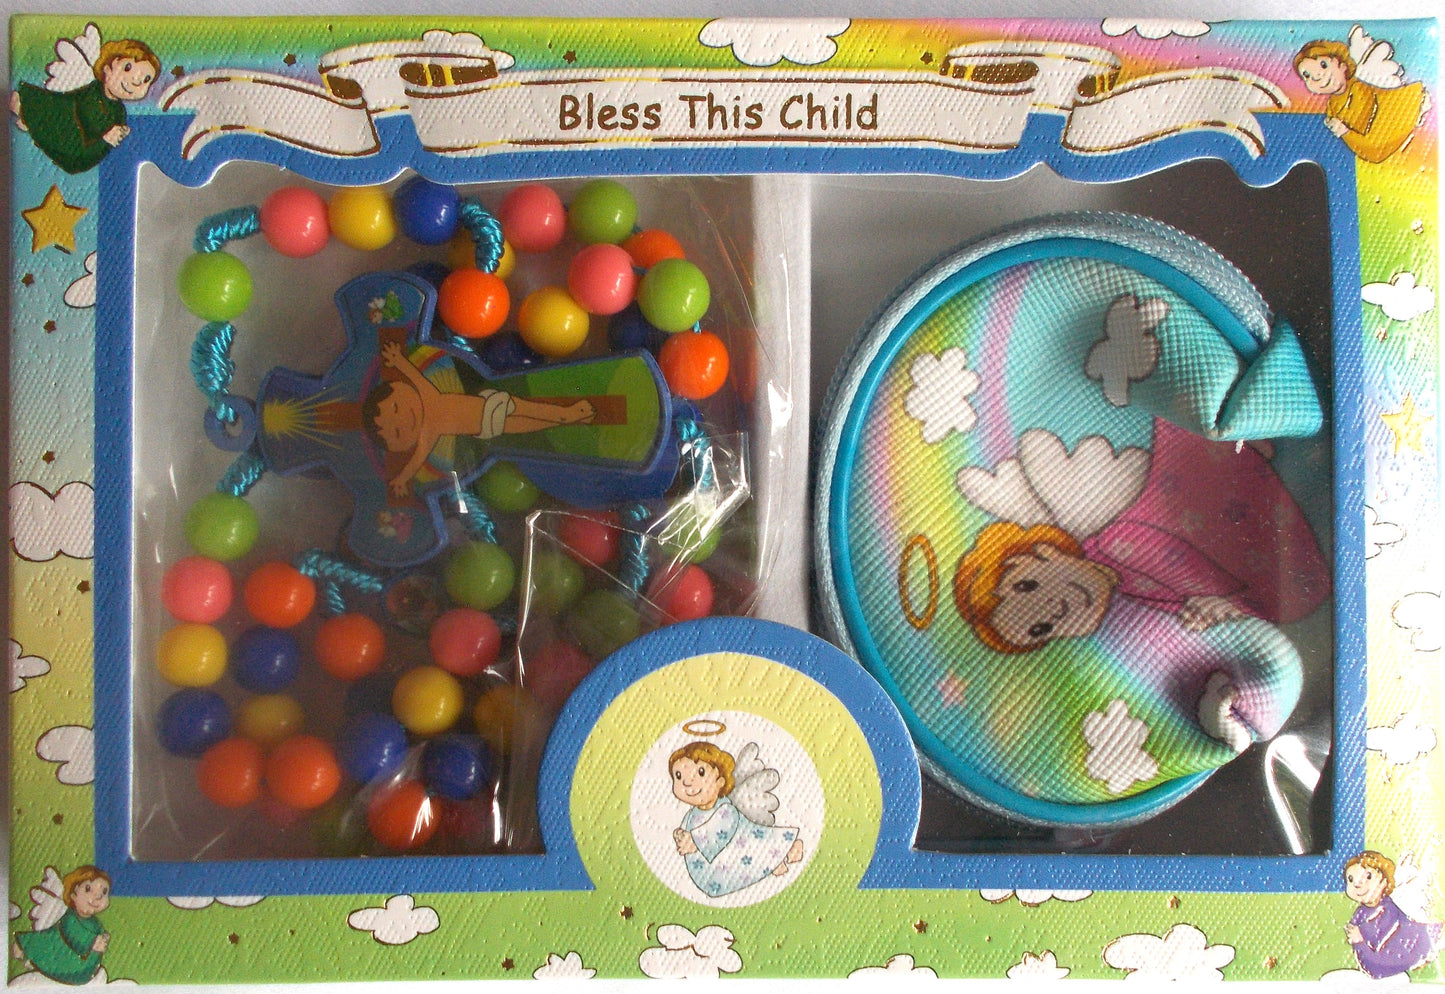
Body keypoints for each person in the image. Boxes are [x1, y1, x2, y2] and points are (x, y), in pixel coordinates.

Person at [954, 420, 1330, 654]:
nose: (1052, 609)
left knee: (1294, 591)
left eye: (1027, 585)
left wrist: (1225, 603)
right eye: (1042, 630)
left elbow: (1190, 567)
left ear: (1042, 552)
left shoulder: (1115, 543)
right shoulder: (1126, 589)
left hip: (1227, 505)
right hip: (1259, 542)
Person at [365, 341, 595, 498]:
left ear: (401, 389)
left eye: (396, 408)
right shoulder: (431, 429)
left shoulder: (429, 398)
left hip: (489, 405)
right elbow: (418, 457)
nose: (403, 419)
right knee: (529, 425)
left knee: (531, 410)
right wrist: (402, 478)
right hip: (488, 429)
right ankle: (569, 417)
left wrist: (398, 359)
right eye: (397, 432)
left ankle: (569, 414)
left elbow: (415, 376)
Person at [670, 742, 803, 899]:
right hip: (708, 869)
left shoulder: (726, 809)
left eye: (701, 772)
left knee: (760, 851)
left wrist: (694, 840)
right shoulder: (692, 815)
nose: (687, 782)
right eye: (678, 776)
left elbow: (721, 828)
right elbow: (686, 829)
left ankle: (786, 852)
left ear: (720, 781)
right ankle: (777, 860)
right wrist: (680, 835)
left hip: (737, 852)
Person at [12, 39, 160, 174]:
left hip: (82, 154)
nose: (136, 81)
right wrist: (107, 138)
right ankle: (26, 111)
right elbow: (78, 138)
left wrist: (119, 133)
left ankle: (28, 116)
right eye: (127, 67)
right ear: (107, 67)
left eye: (146, 80)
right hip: (66, 133)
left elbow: (92, 154)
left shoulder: (119, 111)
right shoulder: (90, 95)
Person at [1294, 37, 1428, 164]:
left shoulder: (1358, 89)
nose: (1317, 76)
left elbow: (1361, 121)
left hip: (1390, 123)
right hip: (1366, 141)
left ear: (1342, 65)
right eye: (1307, 75)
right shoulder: (1332, 103)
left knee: (1375, 149)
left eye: (1324, 65)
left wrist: (1342, 129)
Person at [1344, 851, 1443, 979]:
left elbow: (1381, 926)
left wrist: (1360, 935)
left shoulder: (1390, 906)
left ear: (1384, 880)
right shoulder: (1360, 913)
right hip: (1377, 961)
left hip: (1402, 954)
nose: (1357, 884)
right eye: (1350, 879)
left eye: (1368, 876)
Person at [10, 866, 111, 985]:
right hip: (62, 959)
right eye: (88, 889)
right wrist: (95, 944)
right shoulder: (69, 918)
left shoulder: (94, 922)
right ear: (73, 894)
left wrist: (103, 937)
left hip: (82, 960)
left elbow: (98, 931)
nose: (98, 896)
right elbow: (76, 939)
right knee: (79, 971)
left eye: (104, 892)